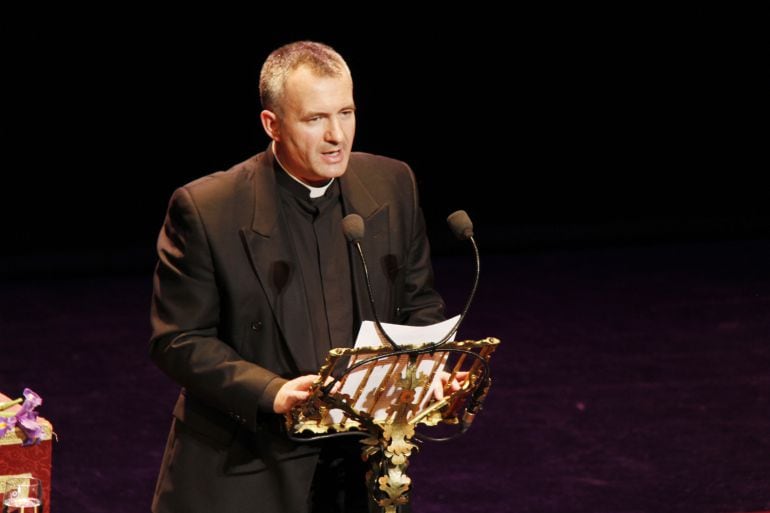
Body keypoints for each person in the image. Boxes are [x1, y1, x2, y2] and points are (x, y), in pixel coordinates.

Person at [149, 41, 446, 513]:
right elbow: (179, 340)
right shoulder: (208, 209)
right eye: (315, 119)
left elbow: (418, 302)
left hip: (360, 466)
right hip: (246, 463)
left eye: (345, 113)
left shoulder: (393, 183)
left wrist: (423, 363)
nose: (337, 135)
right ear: (273, 124)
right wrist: (273, 393)